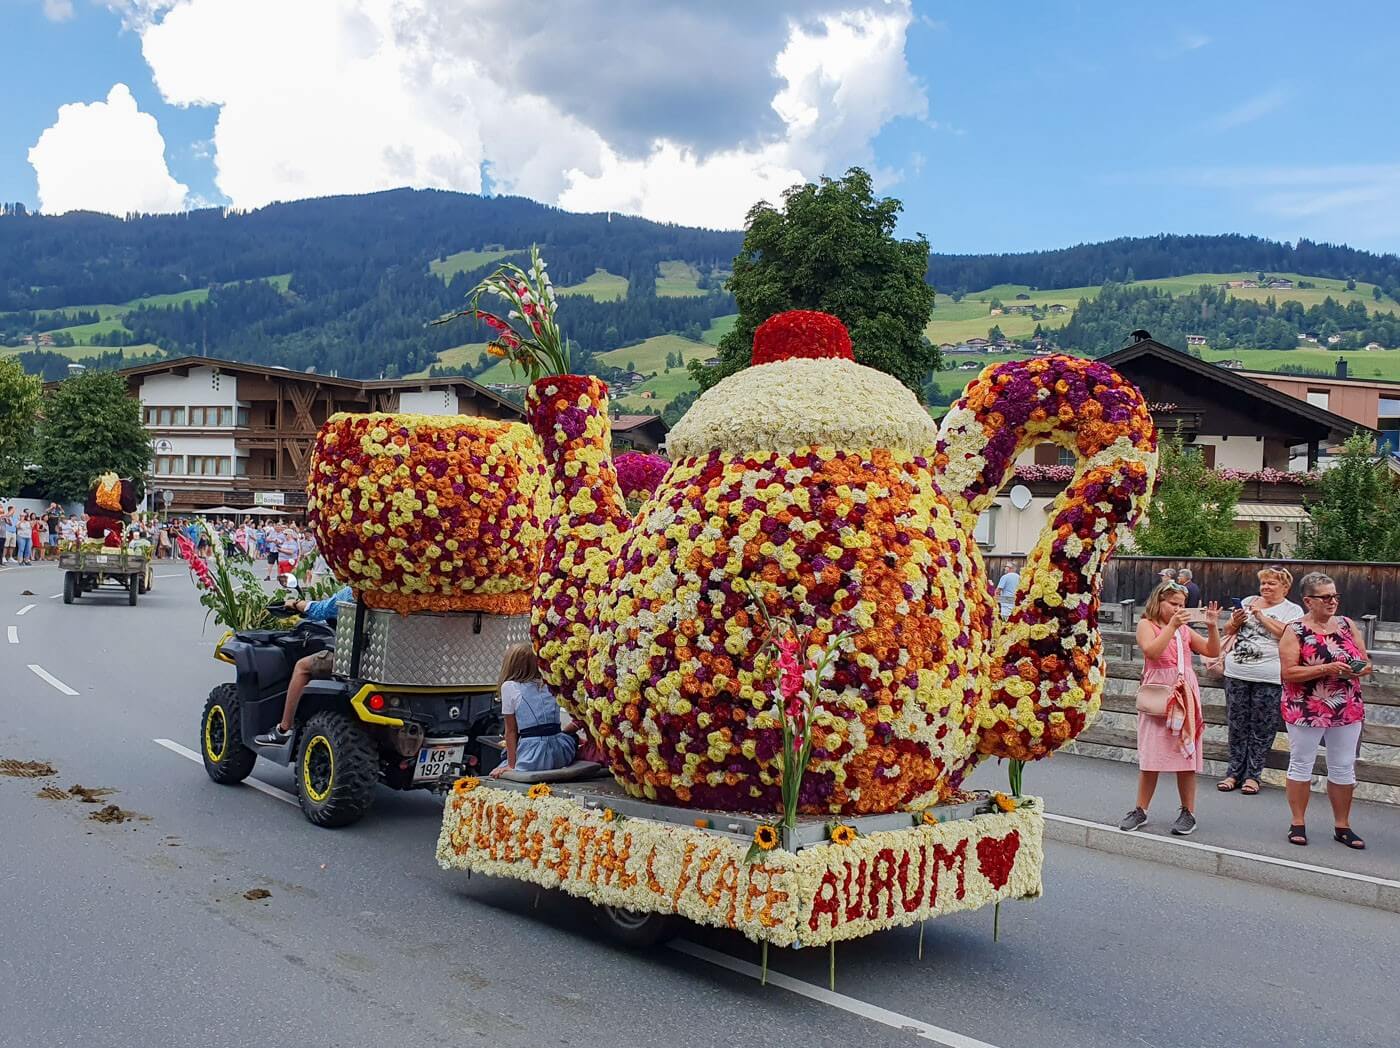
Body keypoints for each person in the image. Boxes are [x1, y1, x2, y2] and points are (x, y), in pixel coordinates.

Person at [1278, 572, 1370, 849]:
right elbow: (1288, 672)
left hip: (1345, 705)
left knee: (1343, 766)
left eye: (1335, 596)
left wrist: (1357, 669)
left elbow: (1365, 662)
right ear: (1308, 600)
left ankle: (1342, 825)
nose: (1332, 601)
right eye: (1326, 597)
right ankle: (1298, 822)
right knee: (1302, 762)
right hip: (1306, 707)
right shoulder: (1294, 630)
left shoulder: (1346, 624)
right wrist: (1325, 668)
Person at [1120, 581, 1221, 836]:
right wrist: (1173, 626)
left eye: (1181, 605)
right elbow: (1152, 652)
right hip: (1158, 694)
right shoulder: (1147, 624)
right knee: (1151, 756)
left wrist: (1212, 626)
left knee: (1185, 757)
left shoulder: (1184, 631)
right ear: (1159, 602)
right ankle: (1140, 809)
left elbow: (1212, 650)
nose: (1178, 609)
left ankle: (1188, 812)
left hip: (1184, 693)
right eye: (1173, 604)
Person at [1210, 566, 1303, 796]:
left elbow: (1288, 634)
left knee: (1263, 727)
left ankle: (1253, 775)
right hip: (1237, 671)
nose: (1266, 588)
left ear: (1285, 587)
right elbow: (1227, 630)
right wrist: (1236, 620)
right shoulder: (1250, 601)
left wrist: (1261, 616)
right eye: (1263, 583)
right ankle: (1233, 772)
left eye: (1272, 583)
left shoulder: (1292, 610)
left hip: (1269, 675)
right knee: (1237, 724)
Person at [253, 583, 354, 746]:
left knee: (302, 666)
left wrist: (295, 603)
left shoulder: (354, 592)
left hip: (353, 661)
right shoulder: (404, 596)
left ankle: (284, 729)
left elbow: (320, 610)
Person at [488, 642, 578, 776]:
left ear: (510, 665)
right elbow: (578, 718)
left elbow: (511, 732)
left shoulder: (510, 687)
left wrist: (511, 766)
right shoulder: (551, 684)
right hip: (561, 751)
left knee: (500, 764)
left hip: (533, 755)